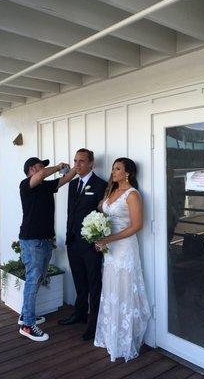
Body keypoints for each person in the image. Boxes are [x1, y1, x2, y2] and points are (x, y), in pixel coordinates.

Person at [94, 157, 150, 361]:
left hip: (125, 247)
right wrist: (97, 234)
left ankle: (124, 340)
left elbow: (136, 225)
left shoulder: (132, 194)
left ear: (128, 173)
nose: (113, 172)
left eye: (118, 169)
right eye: (113, 168)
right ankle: (110, 335)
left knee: (124, 289)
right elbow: (104, 217)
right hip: (110, 248)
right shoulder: (111, 191)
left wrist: (109, 238)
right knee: (111, 289)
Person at [18, 157, 76, 342]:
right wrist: (59, 166)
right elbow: (44, 174)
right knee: (33, 280)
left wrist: (75, 168)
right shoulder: (25, 185)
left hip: (44, 241)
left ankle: (25, 315)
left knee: (37, 278)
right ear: (32, 169)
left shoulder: (45, 187)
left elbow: (64, 180)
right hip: (32, 241)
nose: (43, 168)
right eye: (40, 165)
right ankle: (27, 325)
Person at [58, 148, 107, 341]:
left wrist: (98, 240)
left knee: (94, 285)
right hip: (73, 242)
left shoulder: (101, 185)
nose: (77, 165)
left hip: (90, 245)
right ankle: (79, 314)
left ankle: (93, 324)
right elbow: (71, 213)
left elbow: (103, 215)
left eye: (81, 161)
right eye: (75, 161)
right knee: (79, 282)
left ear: (91, 164)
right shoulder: (73, 185)